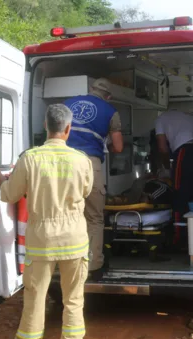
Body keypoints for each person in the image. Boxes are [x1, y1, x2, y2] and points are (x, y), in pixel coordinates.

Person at [0, 104, 93, 339]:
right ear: (68, 129)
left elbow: (9, 194)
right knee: (73, 300)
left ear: (45, 127)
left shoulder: (30, 159)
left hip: (41, 241)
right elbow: (85, 192)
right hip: (74, 239)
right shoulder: (82, 160)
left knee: (35, 299)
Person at [64, 77, 123, 279]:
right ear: (108, 96)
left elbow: (50, 126)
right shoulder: (110, 111)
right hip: (89, 164)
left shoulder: (67, 103)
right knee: (94, 218)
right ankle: (93, 267)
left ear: (90, 89)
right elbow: (119, 147)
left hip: (63, 162)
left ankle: (63, 265)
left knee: (65, 214)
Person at [154, 110, 193, 246]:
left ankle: (179, 238)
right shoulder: (191, 116)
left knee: (180, 193)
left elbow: (162, 148)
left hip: (187, 149)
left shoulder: (160, 119)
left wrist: (166, 169)